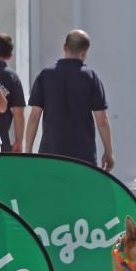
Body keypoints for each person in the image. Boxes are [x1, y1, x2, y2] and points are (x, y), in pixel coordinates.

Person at [25, 29, 115, 171]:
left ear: (64, 47)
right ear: (84, 53)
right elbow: (102, 120)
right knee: (80, 192)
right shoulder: (91, 77)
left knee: (53, 191)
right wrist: (109, 152)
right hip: (83, 155)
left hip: (51, 151)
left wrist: (28, 150)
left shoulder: (45, 75)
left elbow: (34, 117)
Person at [0, 33, 27, 152]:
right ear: (10, 56)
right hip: (0, 139)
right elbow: (18, 113)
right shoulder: (12, 77)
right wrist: (19, 141)